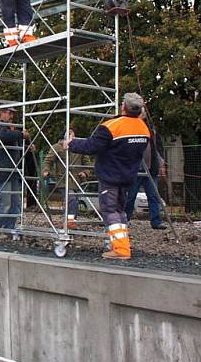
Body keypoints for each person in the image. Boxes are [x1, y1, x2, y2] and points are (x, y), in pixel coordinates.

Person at [64, 93, 150, 259]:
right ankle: (121, 244)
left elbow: (91, 146)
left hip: (110, 176)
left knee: (110, 210)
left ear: (123, 107)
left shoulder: (111, 126)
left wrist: (71, 143)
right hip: (128, 177)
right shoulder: (143, 128)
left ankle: (121, 250)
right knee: (120, 211)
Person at [124, 112, 167, 229]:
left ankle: (156, 221)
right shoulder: (130, 127)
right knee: (130, 196)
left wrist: (161, 165)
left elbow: (158, 148)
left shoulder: (151, 129)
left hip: (151, 169)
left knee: (153, 196)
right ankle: (125, 219)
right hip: (135, 169)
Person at [0, 107, 27, 230]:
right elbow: (4, 137)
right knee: (5, 203)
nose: (11, 116)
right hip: (3, 170)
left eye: (12, 114)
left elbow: (14, 144)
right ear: (2, 113)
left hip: (12, 170)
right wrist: (20, 134)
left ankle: (8, 228)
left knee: (15, 204)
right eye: (9, 113)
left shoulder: (11, 129)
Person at [42, 139, 93, 229]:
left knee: (74, 202)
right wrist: (46, 170)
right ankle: (70, 223)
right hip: (63, 180)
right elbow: (48, 161)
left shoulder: (80, 147)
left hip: (76, 180)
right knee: (71, 199)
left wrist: (85, 172)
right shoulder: (57, 147)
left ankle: (70, 223)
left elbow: (87, 163)